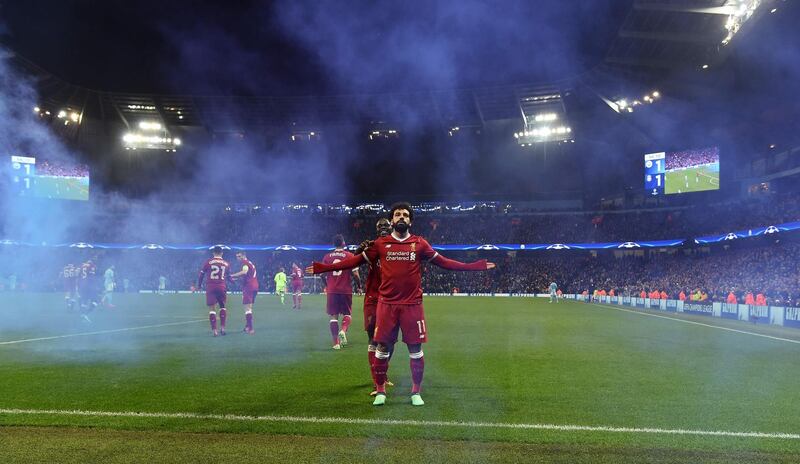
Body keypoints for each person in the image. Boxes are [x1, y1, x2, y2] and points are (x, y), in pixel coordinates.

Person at [307, 202, 495, 407]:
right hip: (386, 305)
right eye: (397, 214)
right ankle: (380, 390)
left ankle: (415, 392)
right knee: (382, 347)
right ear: (392, 220)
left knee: (415, 348)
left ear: (410, 220)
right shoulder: (380, 245)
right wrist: (321, 268)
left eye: (405, 214)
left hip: (412, 305)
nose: (402, 217)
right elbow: (352, 263)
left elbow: (445, 262)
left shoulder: (420, 243)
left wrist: (475, 266)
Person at [321, 234, 361, 349]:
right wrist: (359, 286)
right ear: (343, 243)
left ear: (334, 244)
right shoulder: (350, 256)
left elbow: (322, 275)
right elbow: (356, 274)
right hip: (345, 290)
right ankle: (343, 331)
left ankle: (336, 344)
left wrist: (327, 285)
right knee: (347, 314)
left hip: (332, 290)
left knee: (333, 316)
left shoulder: (327, 257)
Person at [198, 246, 231, 336]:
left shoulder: (208, 262)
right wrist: (233, 282)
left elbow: (201, 275)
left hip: (211, 287)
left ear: (213, 253)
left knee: (212, 309)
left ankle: (215, 331)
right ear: (222, 253)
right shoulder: (226, 263)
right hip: (222, 287)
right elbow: (228, 277)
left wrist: (199, 285)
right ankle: (223, 328)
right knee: (222, 307)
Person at [230, 251, 259, 334]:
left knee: (247, 308)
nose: (237, 258)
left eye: (239, 256)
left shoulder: (245, 263)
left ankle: (250, 328)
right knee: (250, 307)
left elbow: (244, 272)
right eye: (237, 256)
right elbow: (248, 275)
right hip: (255, 286)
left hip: (249, 287)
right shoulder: (250, 263)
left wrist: (231, 275)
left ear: (243, 256)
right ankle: (247, 326)